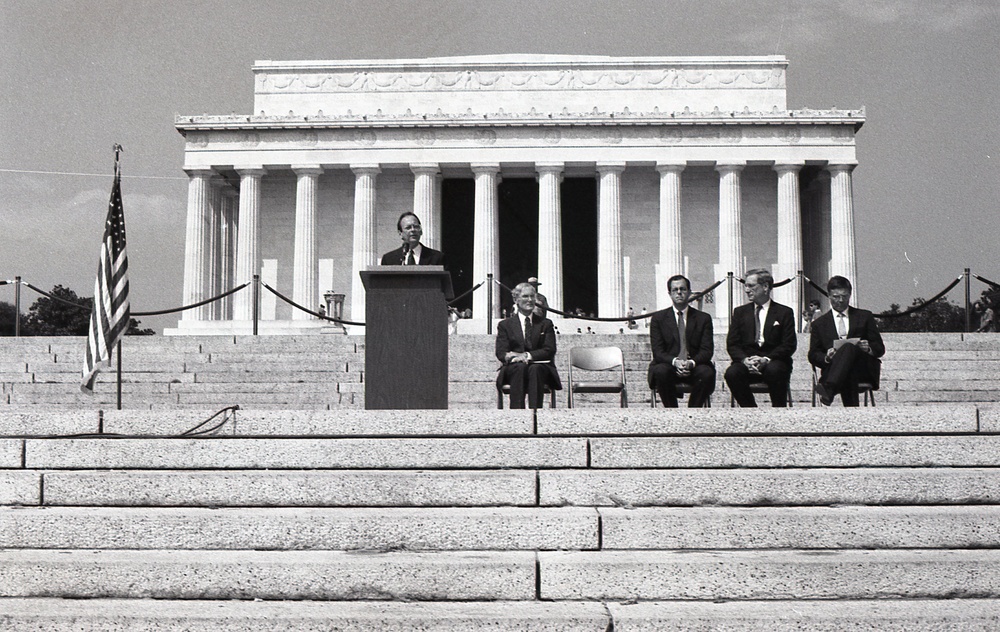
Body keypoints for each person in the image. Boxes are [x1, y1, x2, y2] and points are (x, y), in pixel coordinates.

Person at [725, 268, 797, 407]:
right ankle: (751, 411)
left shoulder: (784, 312)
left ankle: (778, 411)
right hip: (747, 361)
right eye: (745, 285)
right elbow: (732, 343)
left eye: (751, 286)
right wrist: (745, 360)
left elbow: (789, 344)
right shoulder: (740, 312)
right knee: (732, 373)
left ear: (765, 287)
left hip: (773, 361)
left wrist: (766, 359)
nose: (746, 290)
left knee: (775, 371)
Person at [808, 276, 885, 406]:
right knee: (848, 371)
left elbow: (879, 348)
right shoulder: (819, 324)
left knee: (849, 347)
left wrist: (868, 348)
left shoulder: (864, 316)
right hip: (835, 369)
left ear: (850, 294)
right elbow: (813, 354)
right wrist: (826, 357)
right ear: (829, 295)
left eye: (844, 296)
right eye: (836, 297)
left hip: (862, 368)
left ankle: (829, 388)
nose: (841, 300)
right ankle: (851, 414)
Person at [648, 275, 715, 407]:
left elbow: (707, 350)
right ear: (670, 294)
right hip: (669, 366)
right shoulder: (658, 319)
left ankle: (692, 412)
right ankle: (672, 412)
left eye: (683, 289)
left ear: (689, 292)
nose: (679, 292)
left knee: (706, 373)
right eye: (675, 290)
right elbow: (658, 351)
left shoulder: (703, 318)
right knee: (661, 371)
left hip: (694, 365)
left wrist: (690, 363)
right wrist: (676, 362)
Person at [495, 282, 562, 408]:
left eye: (532, 296)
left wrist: (526, 355)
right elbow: (501, 352)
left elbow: (549, 350)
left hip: (540, 368)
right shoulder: (505, 325)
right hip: (515, 369)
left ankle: (535, 412)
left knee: (535, 369)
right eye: (526, 296)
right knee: (519, 368)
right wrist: (512, 357)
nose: (530, 300)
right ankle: (517, 414)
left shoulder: (545, 324)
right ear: (516, 299)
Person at [379, 212, 446, 266]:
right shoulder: (388, 259)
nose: (413, 230)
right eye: (408, 228)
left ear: (421, 231)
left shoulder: (437, 257)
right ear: (400, 233)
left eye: (416, 227)